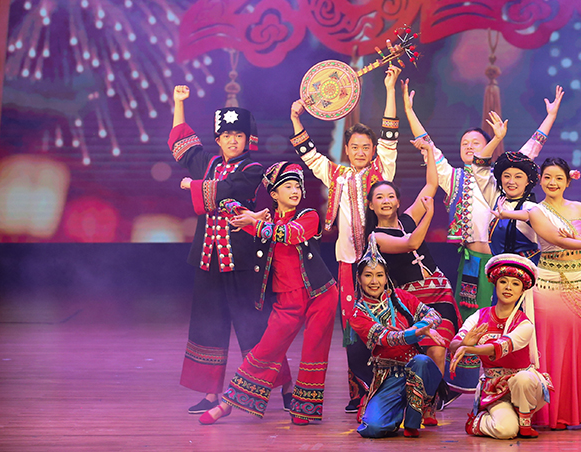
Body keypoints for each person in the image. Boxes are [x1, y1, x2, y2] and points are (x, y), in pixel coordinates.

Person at [169, 84, 291, 414]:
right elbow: (182, 145)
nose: (232, 140)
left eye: (238, 135)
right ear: (219, 140)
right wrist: (179, 102)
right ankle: (211, 394)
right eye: (226, 135)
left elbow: (226, 191)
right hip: (208, 260)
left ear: (247, 139)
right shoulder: (208, 164)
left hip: (242, 261)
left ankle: (284, 386)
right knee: (208, 326)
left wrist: (192, 186)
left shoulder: (252, 169)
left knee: (255, 326)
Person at [399, 80, 563, 321]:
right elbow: (429, 147)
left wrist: (551, 116)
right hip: (473, 261)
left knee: (507, 318)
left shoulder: (503, 177)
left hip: (504, 259)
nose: (469, 146)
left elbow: (532, 148)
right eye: (464, 143)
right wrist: (409, 111)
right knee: (471, 318)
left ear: (488, 147)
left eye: (475, 143)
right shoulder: (452, 177)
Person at [289, 65, 401, 412]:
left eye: (366, 147)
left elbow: (391, 134)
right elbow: (309, 155)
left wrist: (390, 89)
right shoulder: (336, 175)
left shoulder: (383, 170)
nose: (361, 151)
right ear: (348, 150)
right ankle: (359, 392)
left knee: (386, 323)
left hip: (382, 263)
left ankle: (389, 388)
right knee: (352, 327)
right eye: (355, 147)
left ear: (373, 150)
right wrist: (296, 119)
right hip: (348, 263)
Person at [494, 157, 581, 430]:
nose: (552, 183)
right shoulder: (536, 210)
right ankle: (552, 412)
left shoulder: (579, 208)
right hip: (547, 285)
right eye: (547, 177)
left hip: (578, 283)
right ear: (540, 180)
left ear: (568, 181)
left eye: (559, 178)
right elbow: (556, 240)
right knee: (549, 349)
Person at [197, 162, 338, 426]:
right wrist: (252, 215)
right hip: (288, 299)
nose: (295, 191)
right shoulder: (264, 221)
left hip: (320, 293)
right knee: (264, 350)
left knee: (314, 351)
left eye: (297, 186)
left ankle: (304, 409)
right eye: (288, 186)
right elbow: (226, 204)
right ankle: (227, 404)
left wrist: (255, 220)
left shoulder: (308, 216)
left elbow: (290, 235)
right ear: (274, 194)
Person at [364, 140, 462, 425]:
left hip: (440, 294)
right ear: (371, 205)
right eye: (379, 197)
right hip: (412, 304)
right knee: (426, 347)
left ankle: (429, 404)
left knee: (438, 349)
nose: (386, 201)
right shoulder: (375, 237)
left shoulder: (407, 219)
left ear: (397, 201)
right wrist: (429, 214)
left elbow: (431, 185)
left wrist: (429, 151)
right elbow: (411, 243)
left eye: (390, 196)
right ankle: (413, 401)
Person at [348, 238, 447, 438]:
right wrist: (417, 332)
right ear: (359, 278)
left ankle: (415, 418)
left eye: (379, 275)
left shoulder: (400, 297)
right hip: (389, 377)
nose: (374, 281)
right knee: (372, 428)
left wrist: (418, 327)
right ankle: (395, 411)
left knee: (421, 362)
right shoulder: (358, 314)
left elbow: (434, 315)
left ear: (386, 278)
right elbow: (387, 338)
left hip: (416, 368)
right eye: (368, 275)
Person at [451, 254, 552, 439]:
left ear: (522, 290)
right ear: (495, 285)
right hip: (494, 389)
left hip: (525, 387)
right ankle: (478, 422)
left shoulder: (524, 324)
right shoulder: (478, 317)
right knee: (506, 431)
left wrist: (469, 349)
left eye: (515, 284)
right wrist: (463, 343)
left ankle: (525, 422)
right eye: (503, 281)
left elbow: (498, 348)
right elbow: (454, 345)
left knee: (523, 378)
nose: (508, 287)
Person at [470, 111, 544, 262]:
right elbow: (479, 166)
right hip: (498, 269)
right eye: (507, 176)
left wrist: (551, 115)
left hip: (529, 269)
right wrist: (497, 139)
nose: (511, 181)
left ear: (528, 181)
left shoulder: (532, 207)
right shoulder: (496, 198)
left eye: (518, 177)